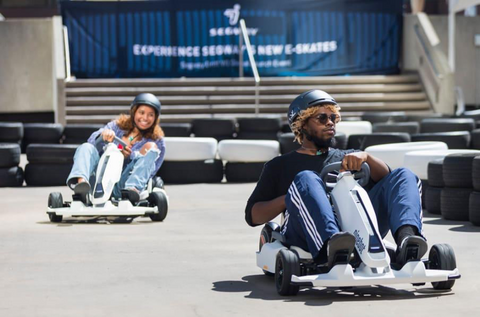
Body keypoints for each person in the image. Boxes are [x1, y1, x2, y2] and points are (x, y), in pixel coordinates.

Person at [245, 89, 427, 269]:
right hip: (304, 233)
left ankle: (407, 241)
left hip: (357, 227)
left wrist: (367, 157)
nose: (330, 123)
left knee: (404, 175)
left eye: (333, 118)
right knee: (306, 178)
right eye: (322, 118)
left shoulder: (349, 156)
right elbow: (253, 215)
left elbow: (394, 185)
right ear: (302, 124)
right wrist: (290, 197)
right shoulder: (279, 165)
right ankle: (331, 246)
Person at [66, 93, 166, 203]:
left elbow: (152, 169)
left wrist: (129, 157)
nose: (145, 118)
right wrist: (104, 134)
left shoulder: (157, 140)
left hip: (123, 183)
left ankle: (132, 190)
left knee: (151, 147)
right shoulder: (117, 126)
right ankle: (82, 185)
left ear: (155, 118)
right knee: (86, 147)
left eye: (151, 115)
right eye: (141, 112)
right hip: (99, 177)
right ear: (134, 112)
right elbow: (92, 141)